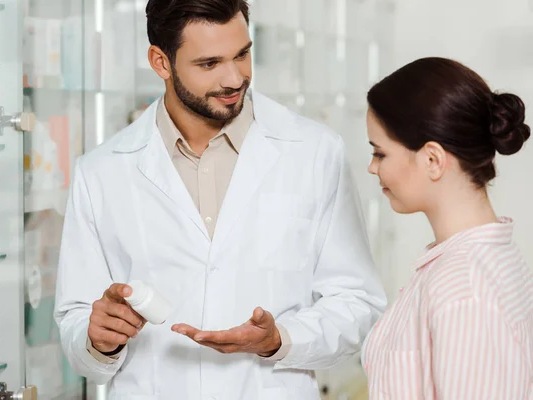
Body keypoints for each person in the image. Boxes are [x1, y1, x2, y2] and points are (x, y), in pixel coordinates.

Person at [54, 0, 387, 398]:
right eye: (209, 64)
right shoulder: (101, 172)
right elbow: (77, 327)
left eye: (243, 55)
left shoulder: (314, 151)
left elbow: (357, 303)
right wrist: (98, 340)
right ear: (161, 63)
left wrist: (280, 338)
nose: (234, 78)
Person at [362, 57, 533, 399]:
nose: (371, 167)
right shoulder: (474, 263)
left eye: (380, 154)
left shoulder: (464, 289)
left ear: (432, 160)